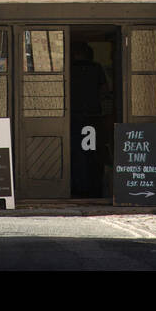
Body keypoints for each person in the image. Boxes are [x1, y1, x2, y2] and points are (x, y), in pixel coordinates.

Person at [70, 41, 108, 196]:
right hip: (93, 114)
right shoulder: (97, 68)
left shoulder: (69, 68)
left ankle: (77, 186)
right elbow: (105, 90)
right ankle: (93, 186)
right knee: (92, 152)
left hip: (73, 114)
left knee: (75, 152)